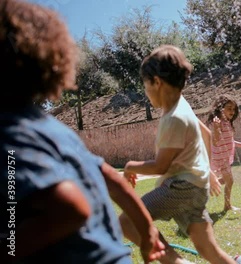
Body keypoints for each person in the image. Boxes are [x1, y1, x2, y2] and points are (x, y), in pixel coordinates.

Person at [0, 0, 165, 263]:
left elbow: (68, 208)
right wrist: (147, 232)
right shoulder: (54, 130)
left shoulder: (9, 133)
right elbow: (111, 176)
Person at [118, 44, 237, 264]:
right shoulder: (183, 105)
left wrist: (129, 166)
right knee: (209, 251)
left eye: (145, 86)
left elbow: (160, 167)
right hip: (196, 188)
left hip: (180, 188)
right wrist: (208, 171)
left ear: (156, 82)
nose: (146, 92)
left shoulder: (174, 117)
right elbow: (207, 134)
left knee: (128, 222)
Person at [206, 96, 241, 211]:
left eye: (233, 109)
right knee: (228, 180)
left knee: (228, 181)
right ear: (220, 109)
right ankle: (207, 190)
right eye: (229, 108)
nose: (232, 112)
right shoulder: (218, 123)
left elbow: (230, 141)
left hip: (224, 158)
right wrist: (217, 128)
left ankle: (225, 204)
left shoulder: (227, 123)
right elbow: (215, 141)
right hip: (217, 158)